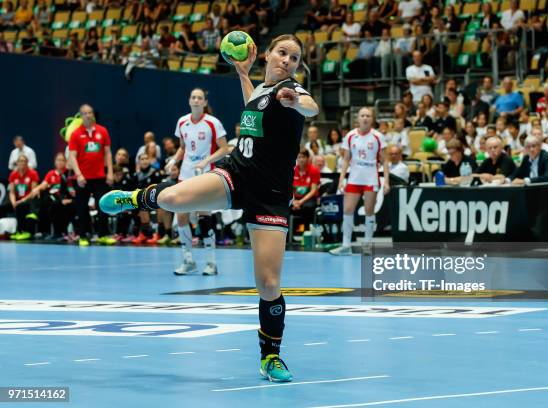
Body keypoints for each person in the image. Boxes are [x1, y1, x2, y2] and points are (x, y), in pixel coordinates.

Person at [100, 34, 319, 382]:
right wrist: (243, 74)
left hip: (271, 194)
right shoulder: (262, 91)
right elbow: (255, 105)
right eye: (282, 53)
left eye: (294, 58)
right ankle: (134, 198)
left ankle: (270, 357)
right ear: (267, 54)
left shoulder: (291, 91)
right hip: (238, 174)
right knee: (173, 199)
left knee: (267, 283)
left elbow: (311, 106)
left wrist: (295, 100)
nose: (287, 61)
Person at [163, 88, 228, 275]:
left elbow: (225, 148)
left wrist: (207, 160)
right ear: (189, 100)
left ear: (205, 102)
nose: (196, 100)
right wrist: (173, 161)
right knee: (181, 214)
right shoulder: (182, 122)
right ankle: (188, 260)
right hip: (185, 173)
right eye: (193, 97)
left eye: (200, 98)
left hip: (205, 174)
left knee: (203, 216)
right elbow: (182, 148)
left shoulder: (212, 122)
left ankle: (211, 263)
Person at [330, 106, 390, 256]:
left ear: (372, 119)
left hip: (371, 178)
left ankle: (367, 245)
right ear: (358, 118)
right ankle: (346, 245)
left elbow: (385, 161)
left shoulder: (378, 136)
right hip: (354, 178)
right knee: (348, 210)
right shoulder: (350, 136)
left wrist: (387, 181)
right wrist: (341, 179)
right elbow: (345, 160)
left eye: (368, 116)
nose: (365, 118)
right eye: (362, 115)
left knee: (369, 212)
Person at [68, 104, 116, 246]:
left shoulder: (102, 131)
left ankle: (103, 235)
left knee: (103, 206)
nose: (88, 115)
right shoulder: (76, 134)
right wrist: (78, 175)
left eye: (90, 112)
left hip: (100, 177)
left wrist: (110, 173)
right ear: (80, 116)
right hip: (83, 178)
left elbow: (107, 153)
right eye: (85, 113)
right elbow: (72, 156)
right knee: (82, 208)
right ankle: (83, 236)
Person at [23, 152, 75, 240]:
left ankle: (59, 233)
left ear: (66, 162)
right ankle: (38, 222)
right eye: (58, 160)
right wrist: (36, 189)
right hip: (52, 198)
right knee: (43, 198)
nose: (60, 162)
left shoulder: (68, 174)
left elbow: (72, 191)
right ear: (55, 162)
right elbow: (43, 185)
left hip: (65, 199)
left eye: (62, 160)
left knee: (52, 204)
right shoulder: (51, 173)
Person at [8, 155, 39, 240]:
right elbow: (11, 192)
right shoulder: (13, 175)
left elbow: (33, 191)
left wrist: (22, 200)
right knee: (5, 207)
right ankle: (13, 231)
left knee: (21, 206)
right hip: (18, 199)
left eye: (24, 161)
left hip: (30, 199)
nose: (22, 163)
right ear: (17, 163)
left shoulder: (33, 173)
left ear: (27, 163)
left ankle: (25, 231)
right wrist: (13, 201)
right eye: (20, 161)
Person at [292, 148, 320, 232]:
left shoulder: (314, 170)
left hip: (309, 198)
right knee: (286, 207)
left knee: (307, 207)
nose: (301, 159)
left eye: (303, 157)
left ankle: (306, 232)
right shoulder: (292, 170)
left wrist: (300, 202)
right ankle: (289, 235)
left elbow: (313, 190)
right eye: (299, 157)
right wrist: (293, 201)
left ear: (308, 158)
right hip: (295, 198)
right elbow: (289, 189)